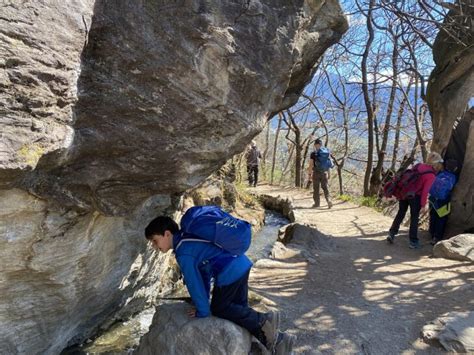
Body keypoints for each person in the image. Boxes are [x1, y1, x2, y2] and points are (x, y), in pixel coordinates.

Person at [144, 211, 295, 353]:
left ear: (167, 234)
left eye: (155, 240)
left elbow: (193, 282)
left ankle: (264, 319)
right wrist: (200, 303)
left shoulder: (183, 251)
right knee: (239, 311)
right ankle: (280, 342)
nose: (154, 246)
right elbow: (203, 273)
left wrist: (203, 311)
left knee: (221, 308)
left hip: (229, 271)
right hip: (240, 263)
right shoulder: (187, 238)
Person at [386, 152, 444, 249]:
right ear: (436, 163)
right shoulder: (431, 175)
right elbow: (425, 191)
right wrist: (423, 205)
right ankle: (413, 241)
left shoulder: (418, 165)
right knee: (414, 218)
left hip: (405, 193)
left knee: (401, 213)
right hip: (415, 197)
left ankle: (392, 233)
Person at [429, 158, 459, 245]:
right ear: (455, 168)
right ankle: (436, 237)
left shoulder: (441, 173)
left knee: (433, 215)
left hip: (433, 198)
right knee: (441, 218)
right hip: (443, 200)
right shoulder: (453, 177)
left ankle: (431, 233)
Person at [308, 139, 333, 208]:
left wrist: (310, 175)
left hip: (316, 173)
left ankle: (317, 204)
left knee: (316, 189)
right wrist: (329, 173)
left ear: (315, 145)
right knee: (325, 188)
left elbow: (310, 165)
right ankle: (328, 200)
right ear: (321, 145)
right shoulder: (326, 153)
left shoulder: (313, 154)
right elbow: (328, 164)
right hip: (324, 173)